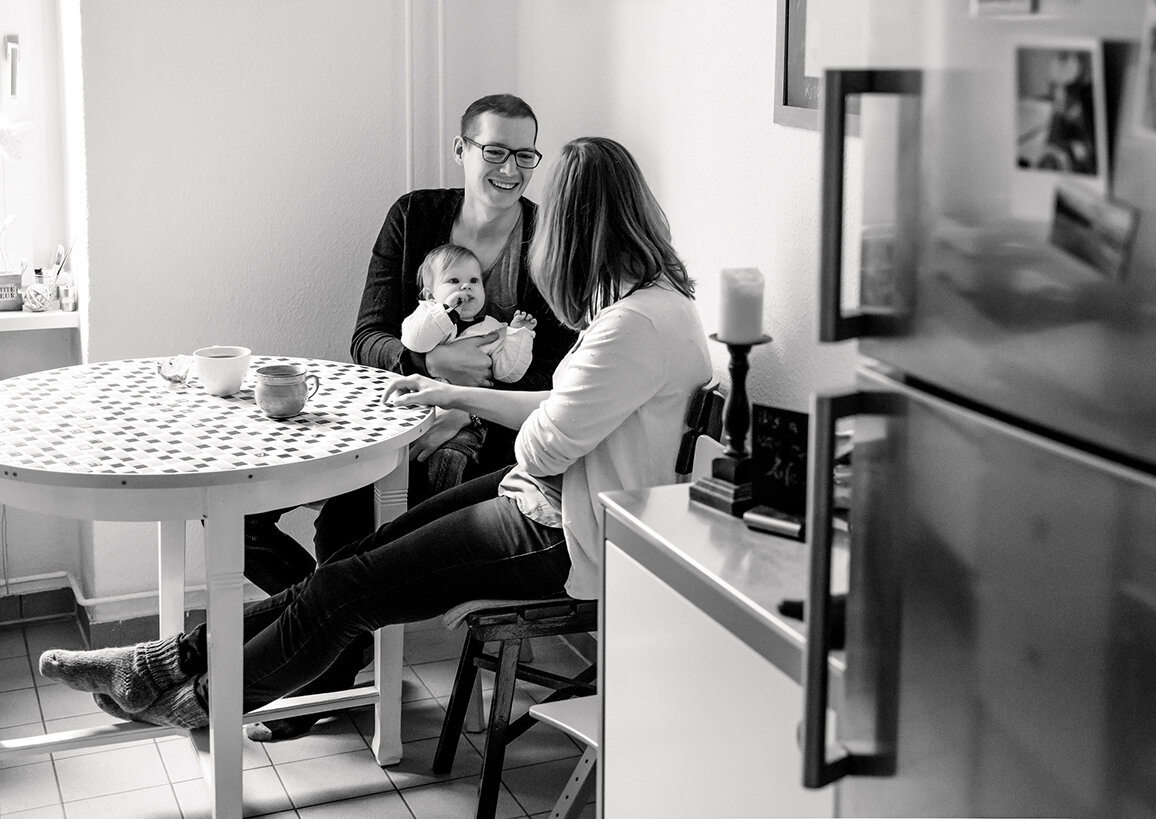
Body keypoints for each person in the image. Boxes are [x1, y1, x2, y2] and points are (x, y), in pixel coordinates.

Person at [38, 136, 713, 732]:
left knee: (345, 590)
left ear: (572, 230)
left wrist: (536, 416)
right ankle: (157, 660)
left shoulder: (631, 326)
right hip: (554, 500)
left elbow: (547, 440)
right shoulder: (659, 304)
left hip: (565, 531)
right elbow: (569, 407)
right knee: (348, 566)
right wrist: (453, 390)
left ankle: (196, 698)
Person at [236, 93, 574, 736]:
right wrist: (433, 368)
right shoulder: (415, 217)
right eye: (493, 150)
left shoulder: (546, 243)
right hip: (387, 418)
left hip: (483, 446)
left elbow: (554, 376)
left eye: (525, 154)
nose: (510, 168)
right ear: (461, 150)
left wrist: (469, 398)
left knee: (348, 521)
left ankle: (324, 675)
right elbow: (366, 339)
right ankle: (336, 638)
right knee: (238, 518)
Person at [400, 241, 538, 492]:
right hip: (415, 414)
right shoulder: (429, 317)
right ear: (431, 295)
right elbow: (415, 341)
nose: (466, 286)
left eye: (475, 281)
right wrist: (446, 311)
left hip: (467, 421)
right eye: (453, 281)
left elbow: (508, 373)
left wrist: (519, 335)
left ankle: (437, 516)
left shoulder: (493, 329)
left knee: (451, 457)